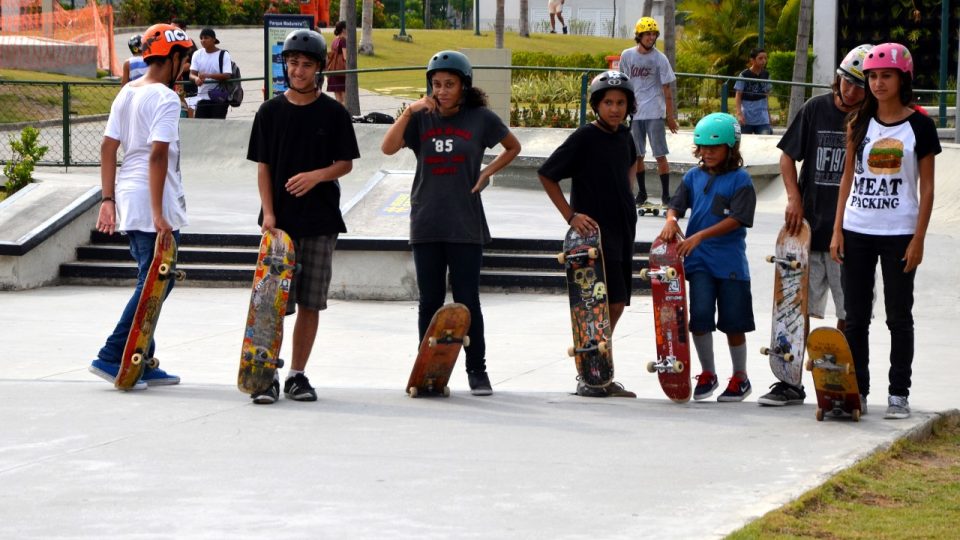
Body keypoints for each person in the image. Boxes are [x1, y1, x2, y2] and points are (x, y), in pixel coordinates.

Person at [381, 50, 521, 396]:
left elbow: (512, 146)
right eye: (436, 84)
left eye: (449, 84)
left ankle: (478, 371)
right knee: (429, 301)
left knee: (467, 299)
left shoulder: (480, 118)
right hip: (426, 221)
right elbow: (387, 148)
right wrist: (410, 111)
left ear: (464, 86)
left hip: (465, 223)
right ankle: (426, 370)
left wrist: (487, 172)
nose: (442, 90)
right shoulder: (421, 118)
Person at [246, 29, 360, 404]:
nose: (298, 70)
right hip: (280, 224)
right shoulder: (269, 112)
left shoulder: (333, 112)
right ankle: (267, 374)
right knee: (273, 303)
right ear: (285, 64)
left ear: (319, 69)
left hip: (321, 221)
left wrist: (317, 176)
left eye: (306, 65)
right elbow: (263, 167)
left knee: (311, 301)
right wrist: (268, 213)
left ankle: (297, 374)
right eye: (293, 63)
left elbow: (345, 163)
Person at [830, 43, 939, 420]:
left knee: (898, 317)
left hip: (900, 233)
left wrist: (919, 238)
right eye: (872, 76)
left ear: (902, 79)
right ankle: (858, 390)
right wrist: (837, 229)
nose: (877, 83)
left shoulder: (920, 126)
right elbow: (847, 179)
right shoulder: (858, 121)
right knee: (856, 316)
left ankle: (898, 394)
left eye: (885, 76)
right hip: (857, 228)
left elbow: (927, 188)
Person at [761, 44, 873, 407]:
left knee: (849, 313)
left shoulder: (872, 120)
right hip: (808, 232)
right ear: (837, 79)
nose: (852, 92)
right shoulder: (815, 109)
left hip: (852, 234)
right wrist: (794, 198)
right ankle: (790, 382)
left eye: (861, 86)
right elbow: (787, 157)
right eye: (847, 82)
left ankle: (838, 381)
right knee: (795, 310)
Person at [88, 23, 194, 389]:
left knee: (151, 280)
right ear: (175, 58)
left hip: (130, 197)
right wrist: (159, 213)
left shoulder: (127, 92)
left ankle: (142, 358)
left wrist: (108, 199)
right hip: (153, 200)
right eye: (184, 60)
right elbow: (157, 155)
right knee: (154, 284)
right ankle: (113, 354)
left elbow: (107, 149)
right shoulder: (164, 98)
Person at [538, 71, 638, 398]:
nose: (614, 108)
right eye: (608, 102)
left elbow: (630, 169)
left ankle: (599, 368)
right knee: (594, 306)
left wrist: (629, 194)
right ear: (596, 105)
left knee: (619, 302)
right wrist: (571, 215)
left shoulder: (625, 136)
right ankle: (588, 372)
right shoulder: (585, 137)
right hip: (594, 236)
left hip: (622, 230)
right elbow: (547, 174)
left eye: (620, 102)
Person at [660, 112, 756, 403]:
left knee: (733, 323)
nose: (708, 152)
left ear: (731, 148)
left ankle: (740, 377)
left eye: (715, 147)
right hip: (699, 263)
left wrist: (700, 235)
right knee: (699, 318)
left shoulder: (741, 180)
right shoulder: (692, 176)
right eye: (703, 147)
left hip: (730, 266)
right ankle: (707, 373)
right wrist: (671, 219)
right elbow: (676, 205)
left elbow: (738, 219)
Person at [619, 16, 678, 209]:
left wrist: (670, 117)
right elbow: (623, 83)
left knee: (660, 154)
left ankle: (666, 196)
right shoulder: (627, 55)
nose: (651, 38)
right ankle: (642, 193)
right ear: (639, 35)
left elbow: (667, 90)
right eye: (647, 34)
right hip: (636, 113)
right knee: (637, 155)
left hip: (654, 112)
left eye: (654, 34)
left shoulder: (660, 58)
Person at [189, 28, 232, 119]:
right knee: (201, 126)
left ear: (213, 40)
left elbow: (227, 75)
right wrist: (196, 79)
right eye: (201, 38)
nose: (203, 40)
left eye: (206, 38)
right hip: (202, 97)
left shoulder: (224, 54)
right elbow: (192, 74)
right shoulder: (197, 54)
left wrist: (208, 75)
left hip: (219, 97)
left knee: (217, 127)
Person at [734, 47, 773, 135]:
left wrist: (768, 115)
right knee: (743, 143)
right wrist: (739, 114)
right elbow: (738, 95)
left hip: (763, 119)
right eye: (760, 58)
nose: (763, 61)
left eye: (765, 58)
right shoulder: (744, 75)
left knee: (765, 142)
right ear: (752, 60)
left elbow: (766, 96)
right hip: (746, 118)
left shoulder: (766, 75)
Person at [326, 21, 347, 104]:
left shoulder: (335, 40)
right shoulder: (343, 40)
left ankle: (339, 116)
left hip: (333, 71)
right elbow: (345, 57)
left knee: (338, 99)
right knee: (345, 99)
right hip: (341, 72)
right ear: (343, 29)